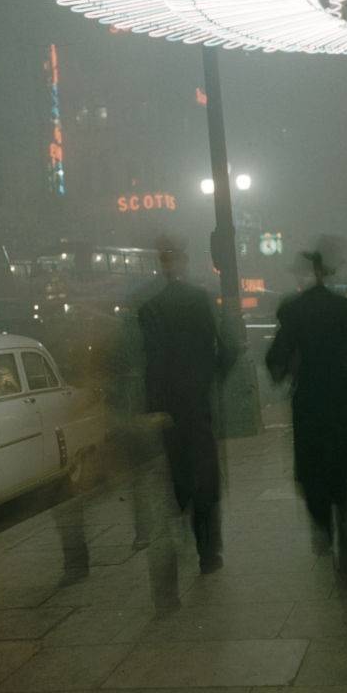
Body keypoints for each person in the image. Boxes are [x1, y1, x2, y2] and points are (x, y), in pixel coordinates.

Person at [266, 237, 347, 588]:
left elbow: (275, 362)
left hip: (309, 404)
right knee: (345, 475)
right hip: (342, 402)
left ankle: (322, 527)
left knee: (313, 473)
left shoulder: (294, 310)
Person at [138, 236, 228, 576]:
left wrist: (152, 405)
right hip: (198, 402)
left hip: (168, 407)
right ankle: (209, 551)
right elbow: (222, 349)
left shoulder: (150, 307)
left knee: (178, 469)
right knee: (205, 471)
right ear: (185, 262)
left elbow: (151, 361)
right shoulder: (200, 300)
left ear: (161, 265)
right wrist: (210, 378)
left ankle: (184, 521)